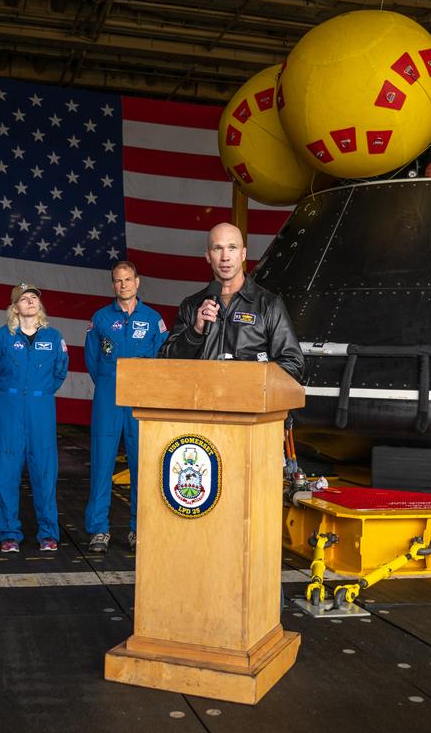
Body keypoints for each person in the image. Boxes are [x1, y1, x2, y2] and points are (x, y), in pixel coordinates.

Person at [83, 262, 167, 554]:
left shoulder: (153, 319)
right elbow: (92, 360)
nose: (123, 285)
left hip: (140, 398)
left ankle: (138, 528)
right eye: (118, 281)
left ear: (138, 282)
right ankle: (98, 530)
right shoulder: (101, 318)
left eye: (128, 279)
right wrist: (110, 383)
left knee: (141, 465)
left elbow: (163, 358)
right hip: (108, 395)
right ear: (113, 285)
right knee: (102, 463)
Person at [0, 283, 68, 553]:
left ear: (39, 305)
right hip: (8, 408)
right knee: (7, 472)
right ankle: (9, 533)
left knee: (44, 471)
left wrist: (37, 395)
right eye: (24, 299)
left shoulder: (54, 337)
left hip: (41, 408)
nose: (30, 301)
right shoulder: (1, 337)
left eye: (34, 298)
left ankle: (48, 533)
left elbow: (60, 373)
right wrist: (8, 400)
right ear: (14, 307)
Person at [160, 222, 305, 381]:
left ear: (243, 254)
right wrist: (195, 332)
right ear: (208, 255)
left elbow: (293, 365)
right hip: (201, 402)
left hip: (247, 403)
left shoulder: (268, 305)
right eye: (218, 248)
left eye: (232, 248)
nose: (225, 257)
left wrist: (243, 373)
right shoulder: (192, 305)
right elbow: (165, 364)